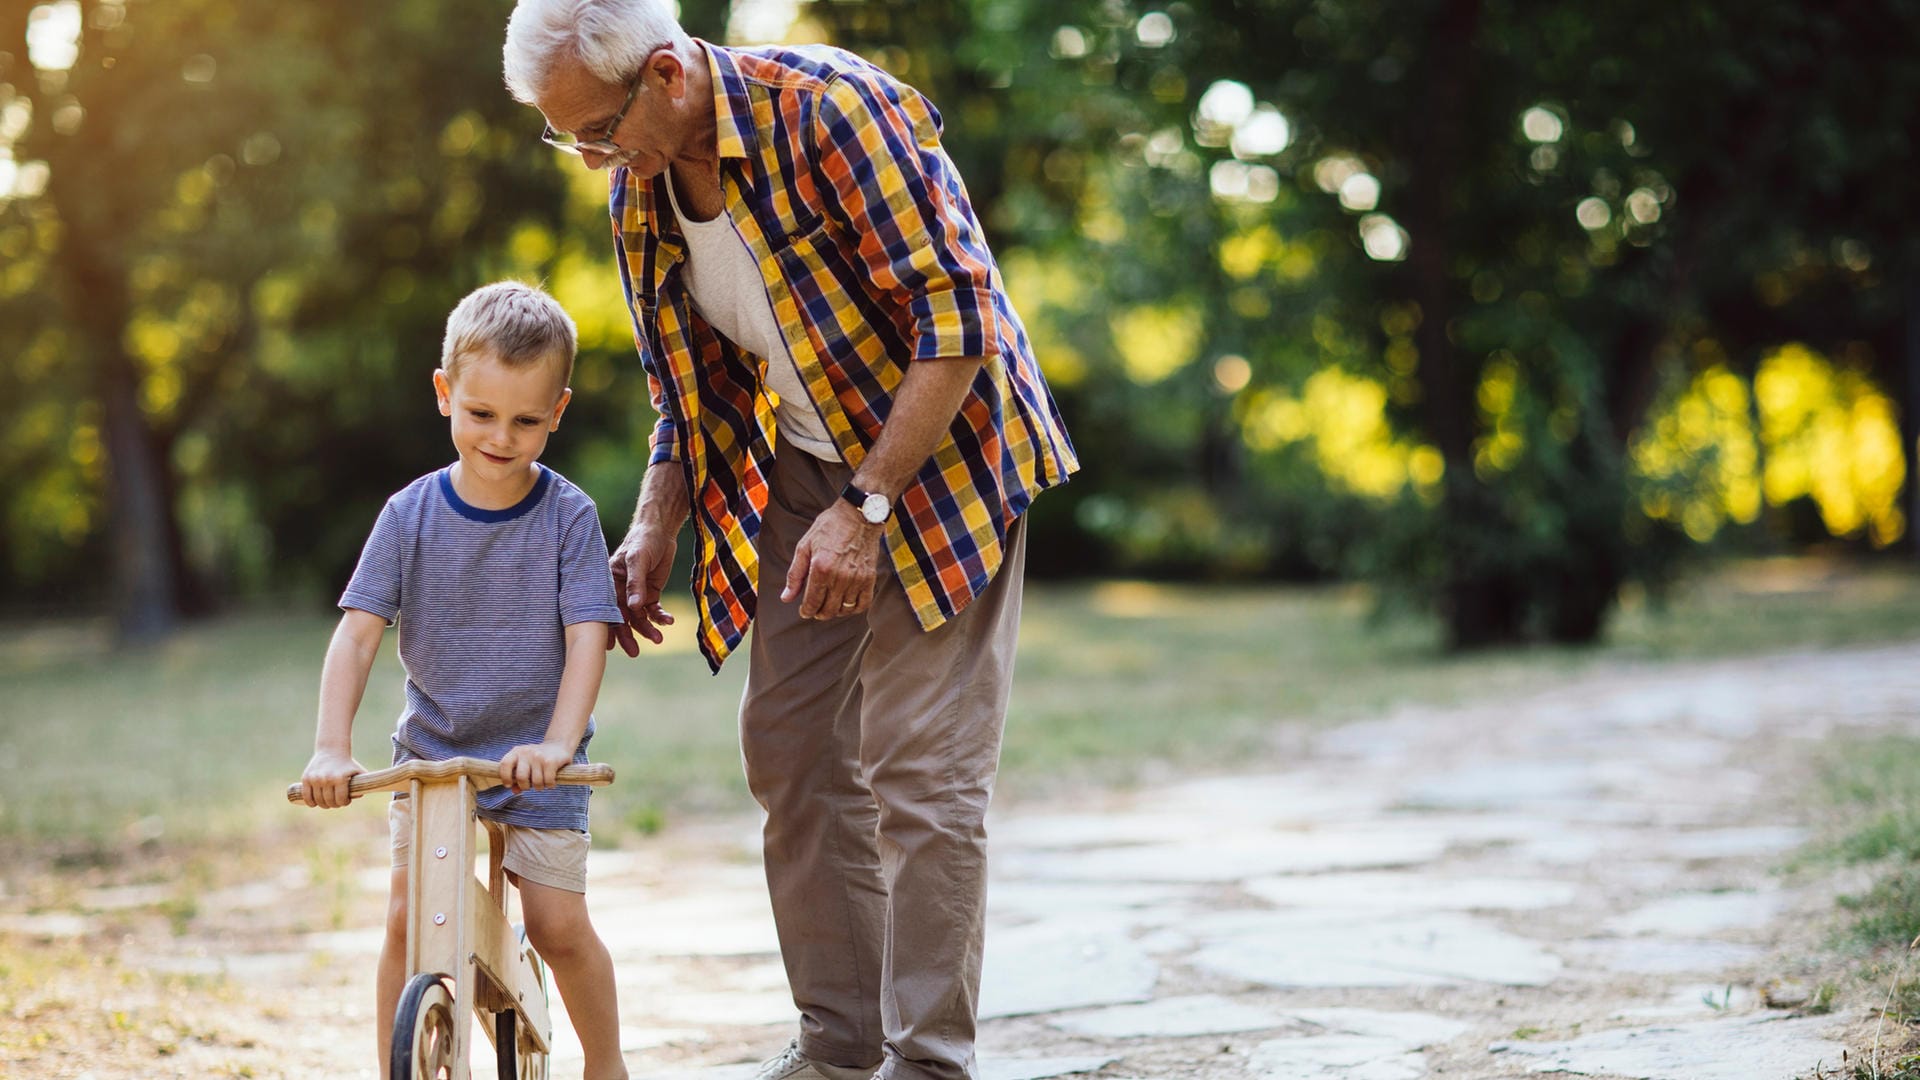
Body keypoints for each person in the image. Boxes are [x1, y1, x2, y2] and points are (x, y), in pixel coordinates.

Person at [503, 6, 1078, 1080]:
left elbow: (959, 318)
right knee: (791, 748)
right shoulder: (641, 189)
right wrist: (650, 529)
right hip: (810, 466)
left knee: (921, 765)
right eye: (564, 135)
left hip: (938, 448)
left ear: (667, 75)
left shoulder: (829, 113)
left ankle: (928, 1061)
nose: (585, 158)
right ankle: (839, 1045)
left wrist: (865, 510)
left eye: (592, 128)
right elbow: (687, 394)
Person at [297, 281, 631, 1080]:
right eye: (481, 414)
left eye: (525, 420)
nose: (501, 437)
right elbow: (356, 635)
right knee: (409, 920)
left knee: (555, 923)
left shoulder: (568, 516)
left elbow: (591, 637)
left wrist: (557, 741)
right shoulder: (407, 515)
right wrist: (329, 749)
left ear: (558, 412)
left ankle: (608, 1062)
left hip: (536, 764)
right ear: (445, 393)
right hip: (437, 758)